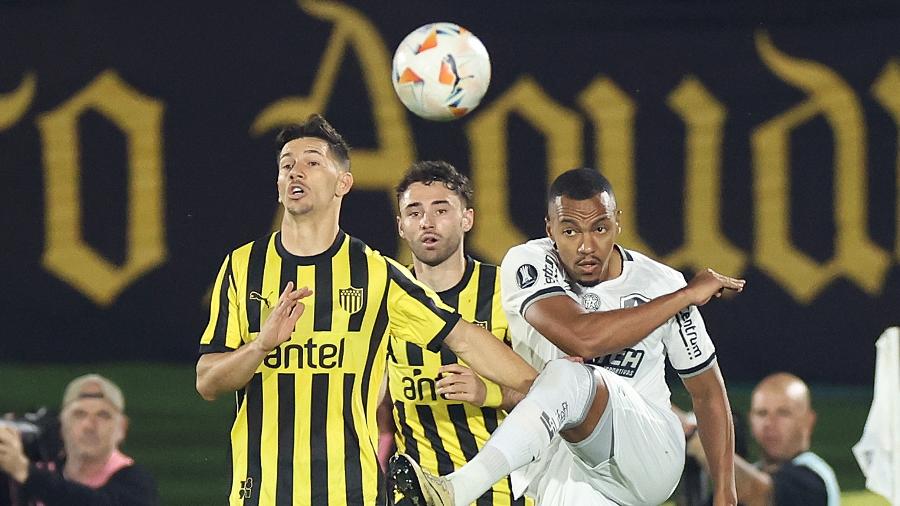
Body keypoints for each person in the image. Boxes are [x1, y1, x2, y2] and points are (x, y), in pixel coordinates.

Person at [194, 114, 537, 506]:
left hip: (351, 493)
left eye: (312, 162)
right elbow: (207, 382)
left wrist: (546, 386)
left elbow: (460, 335)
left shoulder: (377, 273)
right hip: (260, 493)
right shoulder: (242, 267)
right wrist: (259, 347)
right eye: (286, 165)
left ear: (344, 183)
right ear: (277, 185)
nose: (295, 172)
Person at [390, 167, 743, 506]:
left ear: (618, 222)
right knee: (565, 378)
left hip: (648, 450)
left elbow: (708, 393)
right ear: (550, 229)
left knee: (568, 374)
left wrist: (725, 492)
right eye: (571, 231)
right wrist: (684, 296)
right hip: (566, 461)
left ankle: (454, 490)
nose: (587, 246)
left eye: (600, 229)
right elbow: (582, 338)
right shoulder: (528, 263)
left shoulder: (661, 283)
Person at [376, 161, 527, 505]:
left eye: (441, 210)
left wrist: (488, 391)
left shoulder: (506, 290)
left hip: (504, 491)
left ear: (467, 219)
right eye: (414, 213)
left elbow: (548, 392)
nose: (427, 222)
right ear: (401, 226)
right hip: (416, 492)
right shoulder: (383, 297)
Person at [0, 374, 159, 505]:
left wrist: (25, 472)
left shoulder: (136, 483)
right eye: (79, 415)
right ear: (61, 426)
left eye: (103, 416)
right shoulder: (44, 469)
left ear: (122, 428)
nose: (90, 426)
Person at [685, 372, 840, 506]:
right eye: (761, 413)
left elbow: (756, 492)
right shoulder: (754, 472)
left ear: (809, 420)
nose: (769, 423)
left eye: (783, 413)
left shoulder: (813, 478)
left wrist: (698, 440)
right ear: (751, 419)